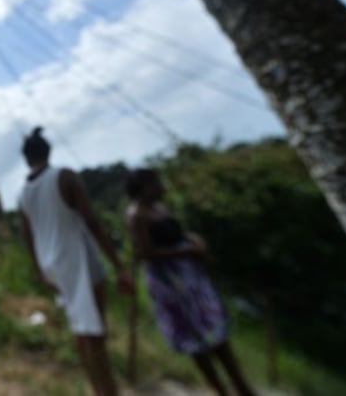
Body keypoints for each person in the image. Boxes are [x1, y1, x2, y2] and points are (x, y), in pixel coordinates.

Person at [18, 127, 133, 396]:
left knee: (82, 333)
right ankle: (108, 390)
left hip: (53, 268)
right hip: (79, 262)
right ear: (48, 151)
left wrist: (39, 271)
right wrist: (118, 266)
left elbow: (29, 237)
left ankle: (97, 388)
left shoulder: (24, 193)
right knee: (95, 336)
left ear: (26, 158)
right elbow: (91, 221)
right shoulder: (64, 176)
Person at [125, 168, 255, 396]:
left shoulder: (159, 208)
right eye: (156, 183)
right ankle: (220, 389)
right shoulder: (137, 215)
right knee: (197, 340)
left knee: (216, 332)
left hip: (191, 279)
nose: (161, 187)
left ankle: (242, 387)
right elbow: (145, 252)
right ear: (143, 187)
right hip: (172, 285)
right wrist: (185, 252)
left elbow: (176, 235)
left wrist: (192, 240)